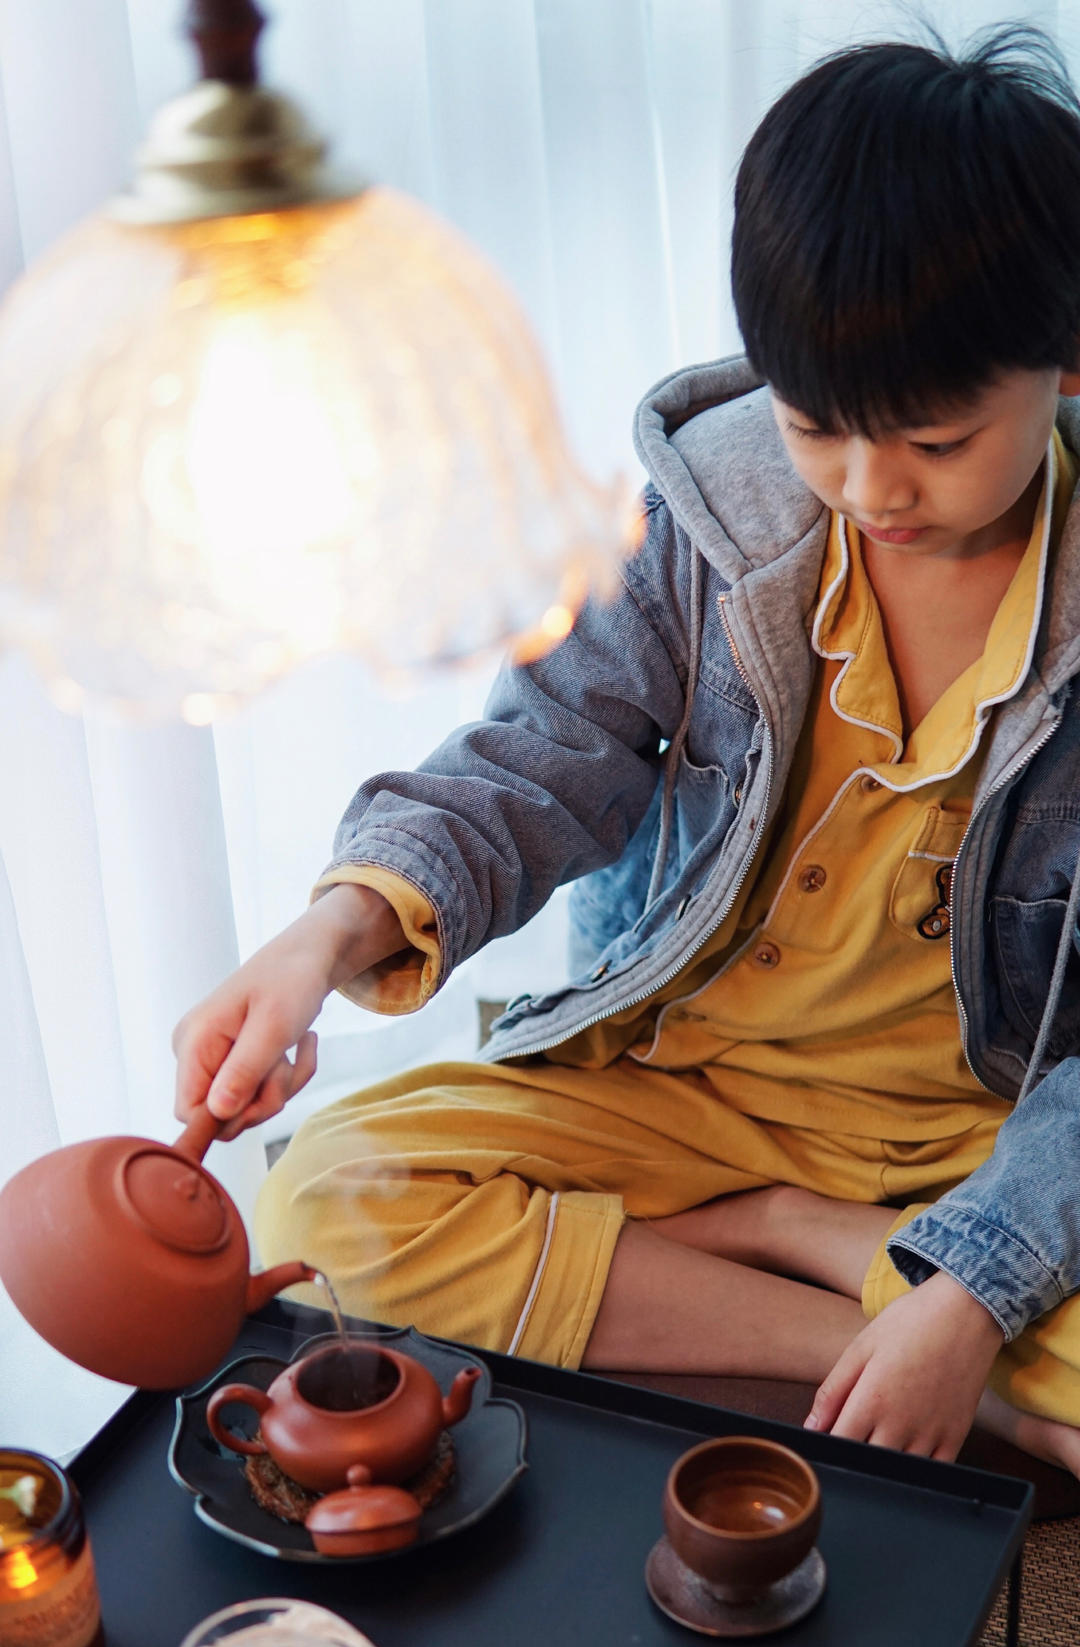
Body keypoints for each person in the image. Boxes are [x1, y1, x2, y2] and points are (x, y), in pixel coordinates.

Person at [174, 28, 1080, 1478]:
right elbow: (546, 751)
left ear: (1066, 367)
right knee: (323, 1203)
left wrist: (976, 1281)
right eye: (817, 428)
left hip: (979, 1137)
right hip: (689, 1086)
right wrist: (323, 935)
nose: (871, 489)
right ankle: (840, 1298)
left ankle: (835, 1253)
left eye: (934, 439)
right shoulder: (713, 520)